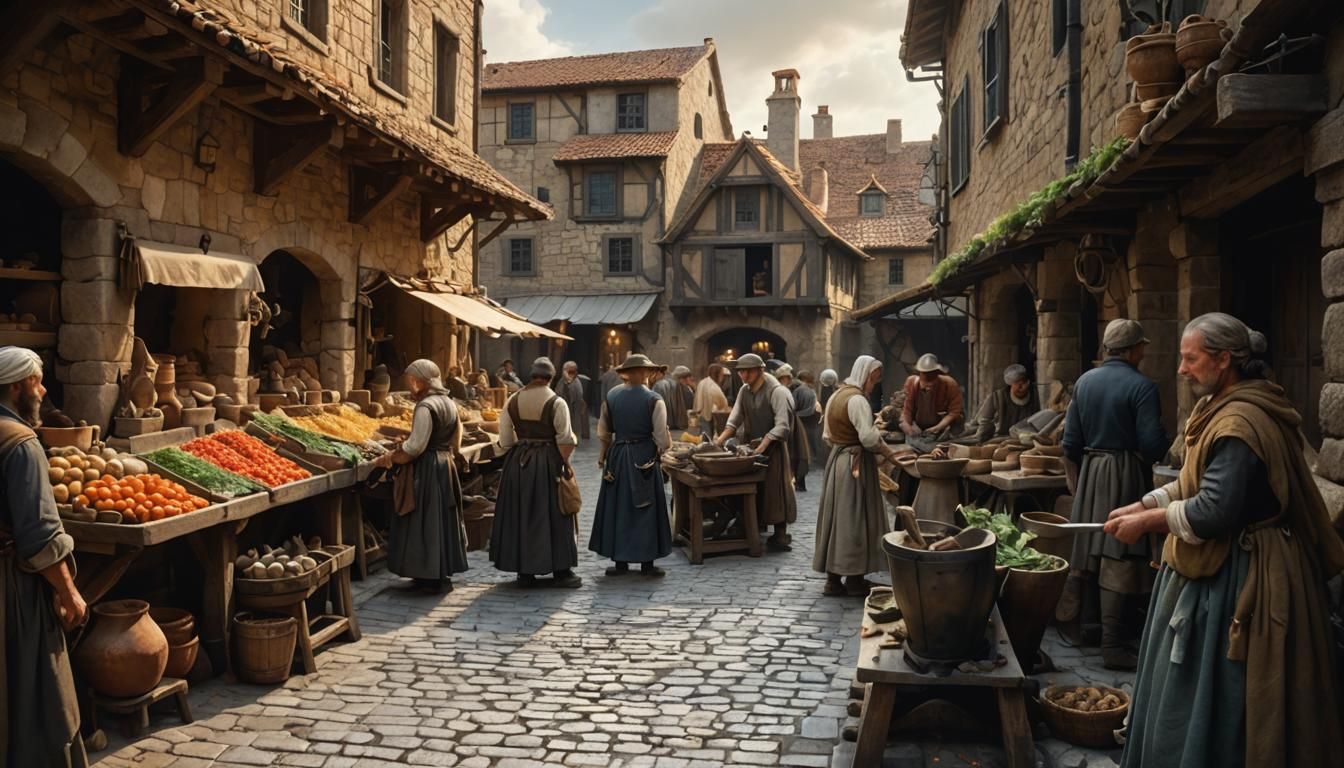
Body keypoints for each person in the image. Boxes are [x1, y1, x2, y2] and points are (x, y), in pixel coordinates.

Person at [1106, 313, 1344, 767]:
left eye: (1190, 359)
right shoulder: (1217, 406)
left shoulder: (1241, 422)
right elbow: (1195, 482)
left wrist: (1150, 523)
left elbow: (1214, 511)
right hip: (1216, 564)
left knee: (1226, 692)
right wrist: (1146, 502)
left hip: (1243, 576)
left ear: (1224, 359)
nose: (1181, 369)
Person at [1060, 319, 1168, 669]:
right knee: (1118, 552)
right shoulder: (1142, 386)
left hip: (1091, 469)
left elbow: (1070, 442)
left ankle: (1088, 628)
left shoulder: (1084, 382)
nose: (1144, 353)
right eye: (1142, 347)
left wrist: (1084, 477)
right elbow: (1152, 444)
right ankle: (1113, 645)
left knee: (1092, 546)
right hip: (1123, 472)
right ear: (1133, 349)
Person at [0, 347, 86, 767]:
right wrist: (68, 592)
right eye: (37, 381)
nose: (44, 389)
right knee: (35, 694)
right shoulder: (21, 444)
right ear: (17, 386)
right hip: (12, 590)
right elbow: (39, 536)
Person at [373, 359, 470, 594]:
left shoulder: (426, 407)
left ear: (419, 381)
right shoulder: (449, 402)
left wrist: (390, 457)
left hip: (428, 468)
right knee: (441, 519)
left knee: (425, 520)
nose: (409, 386)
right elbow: (457, 438)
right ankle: (439, 572)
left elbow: (415, 447)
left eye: (410, 381)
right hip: (444, 464)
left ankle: (429, 576)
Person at [814, 356, 902, 597]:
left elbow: (827, 435)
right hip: (854, 463)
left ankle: (833, 580)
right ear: (865, 374)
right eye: (873, 379)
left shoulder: (836, 395)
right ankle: (853, 580)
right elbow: (869, 438)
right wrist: (890, 455)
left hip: (837, 461)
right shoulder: (857, 400)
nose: (874, 384)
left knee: (837, 518)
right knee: (853, 518)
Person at [493, 358, 581, 588]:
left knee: (521, 513)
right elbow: (565, 439)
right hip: (549, 461)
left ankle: (525, 572)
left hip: (519, 463)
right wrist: (564, 465)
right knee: (555, 513)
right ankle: (561, 571)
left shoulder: (513, 400)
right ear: (551, 378)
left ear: (531, 376)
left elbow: (505, 440)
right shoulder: (556, 401)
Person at [590, 354, 673, 577]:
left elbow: (604, 431)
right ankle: (647, 563)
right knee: (645, 507)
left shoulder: (612, 396)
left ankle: (620, 563)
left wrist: (604, 454)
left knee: (619, 506)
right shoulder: (654, 399)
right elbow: (661, 438)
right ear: (645, 373)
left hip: (617, 457)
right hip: (643, 455)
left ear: (627, 373)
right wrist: (663, 449)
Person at [714, 353, 797, 550]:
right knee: (753, 489)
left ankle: (780, 534)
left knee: (775, 491)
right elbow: (734, 420)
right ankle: (751, 525)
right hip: (753, 448)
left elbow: (783, 425)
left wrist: (765, 443)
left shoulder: (777, 391)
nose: (744, 375)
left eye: (749, 371)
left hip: (774, 448)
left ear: (760, 370)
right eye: (741, 371)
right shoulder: (744, 390)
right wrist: (718, 442)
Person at [899, 353, 965, 451]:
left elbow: (954, 411)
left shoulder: (949, 384)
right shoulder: (911, 383)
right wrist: (908, 427)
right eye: (925, 384)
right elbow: (907, 409)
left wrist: (939, 427)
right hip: (919, 425)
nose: (928, 387)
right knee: (913, 442)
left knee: (954, 431)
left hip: (942, 425)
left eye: (931, 384)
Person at [972, 364, 1041, 442]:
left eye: (1023, 383)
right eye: (1017, 384)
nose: (1022, 388)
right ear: (1011, 384)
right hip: (1002, 438)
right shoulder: (998, 397)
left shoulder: (1035, 395)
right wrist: (981, 438)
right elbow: (985, 421)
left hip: (1028, 438)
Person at [776, 365, 813, 492]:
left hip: (793, 425)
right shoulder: (784, 390)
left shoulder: (787, 391)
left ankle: (795, 481)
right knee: (796, 454)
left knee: (795, 454)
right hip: (793, 425)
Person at [552, 361, 589, 440]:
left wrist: (567, 382)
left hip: (572, 413)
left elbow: (573, 398)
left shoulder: (575, 383)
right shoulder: (562, 381)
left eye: (566, 370)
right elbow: (557, 392)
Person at [692, 363, 730, 437]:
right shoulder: (713, 386)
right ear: (717, 374)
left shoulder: (703, 381)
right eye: (721, 374)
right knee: (707, 435)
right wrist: (724, 407)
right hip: (709, 414)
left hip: (702, 412)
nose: (722, 377)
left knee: (703, 434)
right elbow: (722, 401)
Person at [795, 370, 823, 469]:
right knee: (812, 442)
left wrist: (796, 415)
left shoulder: (800, 390)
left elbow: (795, 405)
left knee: (804, 443)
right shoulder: (812, 390)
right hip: (812, 420)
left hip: (803, 420)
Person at [653, 365, 693, 432]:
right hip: (677, 427)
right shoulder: (682, 387)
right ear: (681, 378)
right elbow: (689, 404)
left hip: (662, 425)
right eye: (686, 378)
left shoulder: (658, 385)